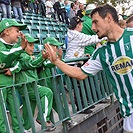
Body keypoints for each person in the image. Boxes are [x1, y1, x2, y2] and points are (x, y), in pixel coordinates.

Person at [45, 4, 133, 132]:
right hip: (129, 117)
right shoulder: (102, 52)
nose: (92, 27)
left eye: (96, 22)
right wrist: (56, 61)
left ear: (108, 18)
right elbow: (80, 73)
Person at [14, 34, 56, 131]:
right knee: (47, 92)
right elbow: (30, 64)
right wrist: (42, 58)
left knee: (28, 109)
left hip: (29, 86)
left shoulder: (28, 56)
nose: (33, 48)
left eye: (34, 45)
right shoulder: (22, 56)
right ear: (23, 45)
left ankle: (25, 128)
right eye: (30, 45)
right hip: (27, 87)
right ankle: (43, 119)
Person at [0, 18, 28, 133]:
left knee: (15, 107)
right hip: (1, 83)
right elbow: (4, 55)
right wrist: (20, 48)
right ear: (7, 31)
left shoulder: (14, 46)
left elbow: (19, 61)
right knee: (1, 113)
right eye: (17, 31)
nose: (19, 34)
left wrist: (12, 69)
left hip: (10, 81)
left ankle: (19, 129)